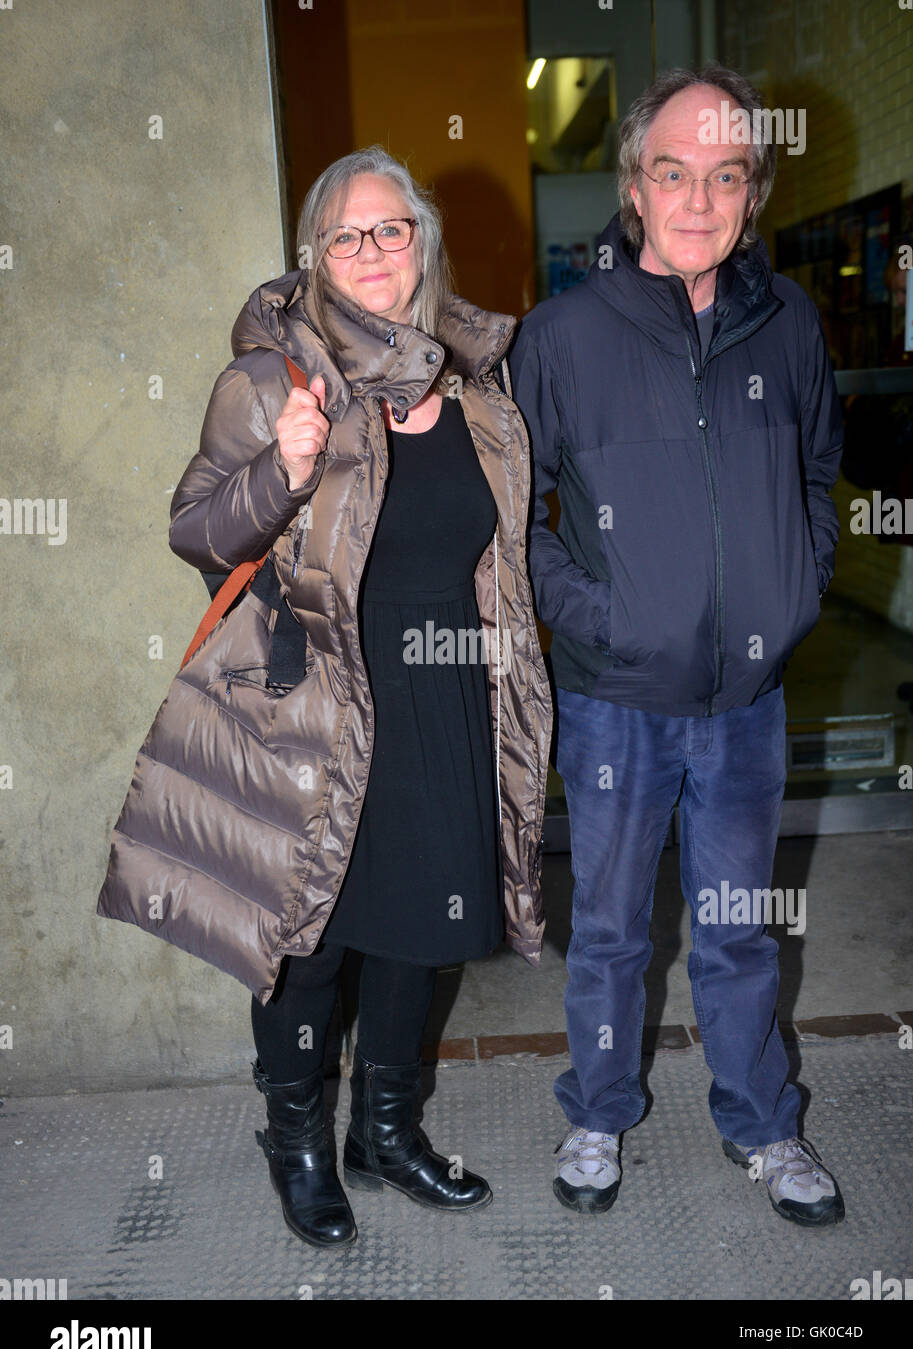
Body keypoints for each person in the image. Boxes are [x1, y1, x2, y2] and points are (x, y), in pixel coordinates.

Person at [96, 146, 552, 1248]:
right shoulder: (269, 381)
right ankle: (297, 1141)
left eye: (390, 228)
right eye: (346, 234)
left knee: (421, 932)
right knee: (309, 946)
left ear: (423, 244)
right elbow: (195, 531)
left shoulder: (474, 389)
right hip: (313, 711)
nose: (371, 250)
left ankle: (385, 1131)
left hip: (444, 708)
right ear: (315, 255)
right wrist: (281, 472)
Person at [510, 66, 845, 1226]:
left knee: (738, 930)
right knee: (606, 929)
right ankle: (597, 1110)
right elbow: (517, 514)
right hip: (614, 700)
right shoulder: (560, 336)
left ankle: (763, 1124)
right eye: (672, 172)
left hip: (746, 699)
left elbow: (814, 475)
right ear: (633, 186)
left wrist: (795, 588)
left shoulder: (788, 320)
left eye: (725, 175)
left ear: (751, 193)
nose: (697, 200)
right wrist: (596, 616)